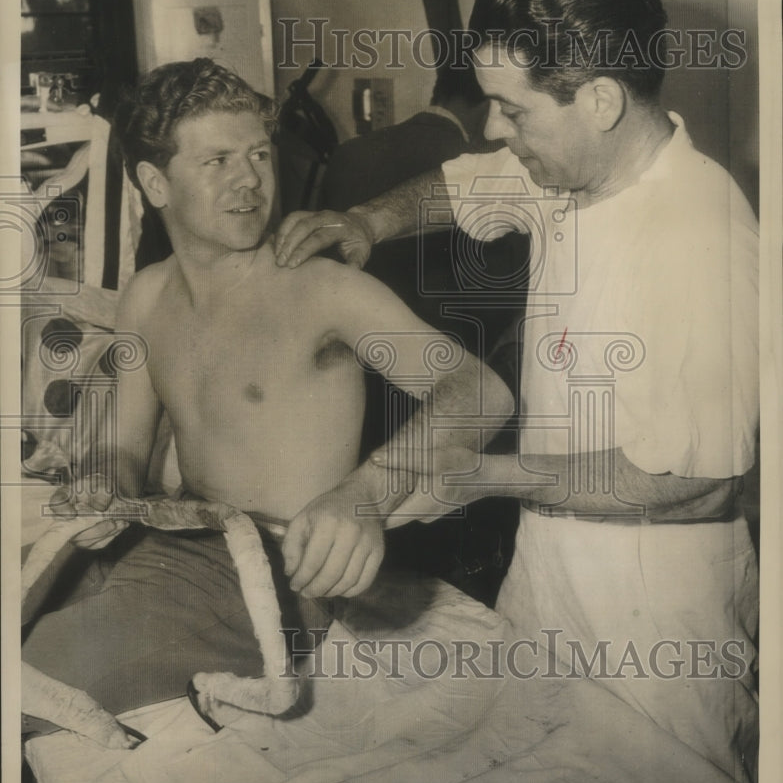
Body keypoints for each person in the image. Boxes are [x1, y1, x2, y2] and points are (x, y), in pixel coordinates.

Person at [273, 0, 760, 783]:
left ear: (601, 99)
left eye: (512, 109)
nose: (495, 127)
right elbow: (468, 183)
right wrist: (367, 221)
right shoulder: (570, 163)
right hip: (549, 568)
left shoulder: (699, 238)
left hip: (653, 615)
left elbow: (698, 483)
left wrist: (478, 476)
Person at [22, 58, 513, 731]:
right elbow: (127, 444)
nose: (249, 179)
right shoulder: (146, 297)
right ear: (155, 183)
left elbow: (479, 392)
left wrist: (364, 494)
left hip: (274, 581)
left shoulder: (321, 291)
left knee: (28, 679)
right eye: (217, 160)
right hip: (176, 542)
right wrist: (104, 482)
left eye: (258, 153)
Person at [319, 64, 526, 604]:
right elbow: (506, 313)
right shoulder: (488, 161)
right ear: (481, 104)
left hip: (363, 414)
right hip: (463, 409)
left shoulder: (348, 156)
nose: (503, 126)